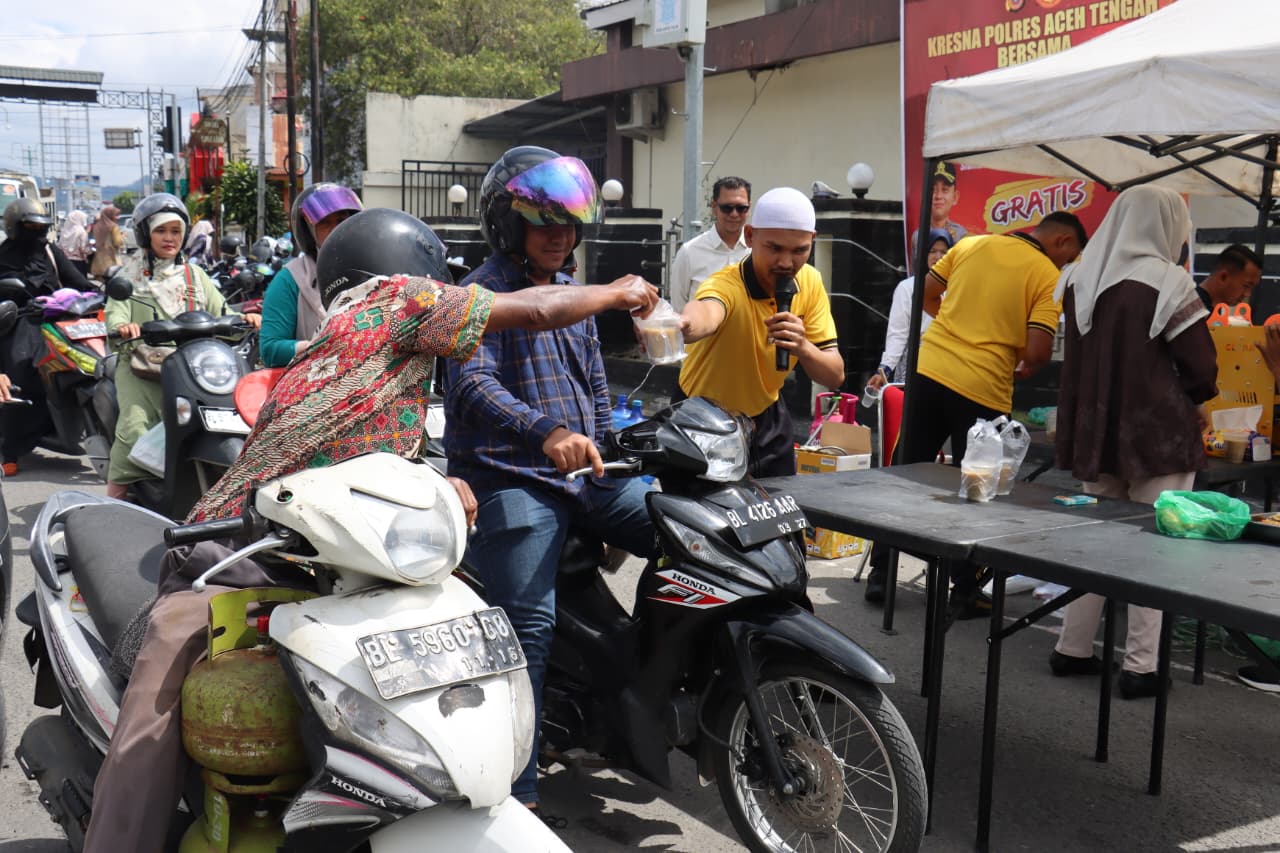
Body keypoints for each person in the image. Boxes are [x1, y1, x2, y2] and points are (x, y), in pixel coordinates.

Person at [81, 206, 659, 852]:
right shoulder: (396, 300)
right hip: (240, 551)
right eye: (443, 282)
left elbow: (364, 443)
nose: (452, 294)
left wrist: (436, 479)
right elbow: (536, 308)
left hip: (336, 562)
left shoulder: (357, 344)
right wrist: (615, 292)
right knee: (157, 699)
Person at [441, 146, 659, 815]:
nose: (559, 234)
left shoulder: (575, 294)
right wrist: (549, 433)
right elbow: (472, 385)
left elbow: (594, 381)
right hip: (512, 478)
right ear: (507, 224)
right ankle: (519, 790)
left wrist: (605, 440)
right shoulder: (480, 295)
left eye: (568, 222)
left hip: (582, 477)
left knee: (683, 527)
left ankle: (643, 685)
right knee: (527, 625)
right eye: (542, 221)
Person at [864, 211, 1087, 612]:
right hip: (983, 386)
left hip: (929, 370)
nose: (1065, 267)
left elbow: (926, 296)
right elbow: (1037, 352)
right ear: (1063, 243)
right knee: (976, 488)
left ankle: (881, 574)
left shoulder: (971, 245)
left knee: (902, 475)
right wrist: (1005, 344)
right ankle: (964, 590)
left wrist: (957, 324)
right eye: (1069, 258)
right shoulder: (1046, 275)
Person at [1049, 186, 1218, 700]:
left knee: (1095, 542)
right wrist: (1203, 402)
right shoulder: (1167, 281)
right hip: (1157, 434)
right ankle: (1141, 667)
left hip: (1096, 431)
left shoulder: (1078, 276)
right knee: (1157, 548)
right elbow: (1200, 365)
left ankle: (1071, 647)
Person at [677, 186, 845, 477]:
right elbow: (706, 312)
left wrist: (803, 347)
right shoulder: (726, 284)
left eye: (799, 250)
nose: (786, 263)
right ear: (751, 236)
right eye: (775, 248)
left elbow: (834, 375)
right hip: (703, 420)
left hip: (768, 418)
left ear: (812, 242)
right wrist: (681, 326)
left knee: (781, 517)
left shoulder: (811, 281)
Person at [104, 193, 262, 500]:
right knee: (134, 429)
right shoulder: (129, 278)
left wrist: (245, 319)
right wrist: (125, 327)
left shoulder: (195, 275)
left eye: (175, 231)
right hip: (142, 368)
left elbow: (221, 312)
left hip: (193, 368)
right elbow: (115, 315)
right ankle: (109, 503)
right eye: (161, 230)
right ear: (145, 234)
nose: (169, 238)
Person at [0, 198, 94, 475]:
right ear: (15, 228)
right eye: (30, 226)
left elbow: (78, 281)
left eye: (41, 226)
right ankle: (11, 449)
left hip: (56, 320)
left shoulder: (51, 252)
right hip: (15, 322)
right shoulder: (2, 257)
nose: (36, 232)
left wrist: (97, 295)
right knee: (22, 370)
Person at [259, 182, 363, 366]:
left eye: (341, 221)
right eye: (325, 223)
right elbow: (270, 349)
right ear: (309, 232)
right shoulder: (290, 279)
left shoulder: (373, 268)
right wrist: (318, 347)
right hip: (316, 387)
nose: (335, 229)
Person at [868, 228, 953, 391]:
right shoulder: (907, 288)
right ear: (922, 254)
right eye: (932, 251)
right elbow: (898, 334)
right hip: (915, 365)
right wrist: (884, 369)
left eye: (944, 251)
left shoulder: (957, 288)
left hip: (948, 366)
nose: (938, 257)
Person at [669, 176, 752, 310]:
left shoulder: (757, 251)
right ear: (714, 207)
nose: (734, 214)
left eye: (741, 208)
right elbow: (678, 309)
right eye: (727, 208)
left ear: (749, 208)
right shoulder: (689, 252)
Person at [909, 161, 969, 258]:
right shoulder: (918, 236)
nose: (938, 196)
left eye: (945, 189)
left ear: (955, 197)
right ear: (925, 196)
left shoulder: (961, 235)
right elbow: (916, 271)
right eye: (933, 190)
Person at [1195, 243, 1263, 311]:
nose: (1248, 294)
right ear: (1223, 277)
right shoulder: (1194, 311)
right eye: (1246, 286)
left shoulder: (1212, 309)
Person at [90, 204, 124, 279]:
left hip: (98, 261)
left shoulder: (97, 226)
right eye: (116, 215)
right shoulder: (114, 227)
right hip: (111, 260)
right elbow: (117, 243)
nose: (118, 218)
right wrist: (122, 237)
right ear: (110, 215)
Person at [57, 210, 91, 276]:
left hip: (64, 262)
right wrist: (89, 252)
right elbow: (83, 249)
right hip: (78, 263)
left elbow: (60, 246)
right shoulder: (81, 231)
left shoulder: (64, 230)